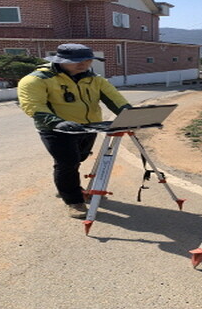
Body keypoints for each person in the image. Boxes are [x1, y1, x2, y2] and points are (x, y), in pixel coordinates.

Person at [17, 43, 131, 219]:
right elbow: (33, 105)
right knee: (67, 163)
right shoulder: (36, 79)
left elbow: (116, 100)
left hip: (88, 126)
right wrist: (55, 122)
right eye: (76, 61)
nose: (83, 64)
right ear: (60, 61)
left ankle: (68, 186)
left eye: (87, 60)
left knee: (80, 158)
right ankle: (73, 200)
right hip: (56, 129)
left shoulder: (95, 79)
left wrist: (132, 116)